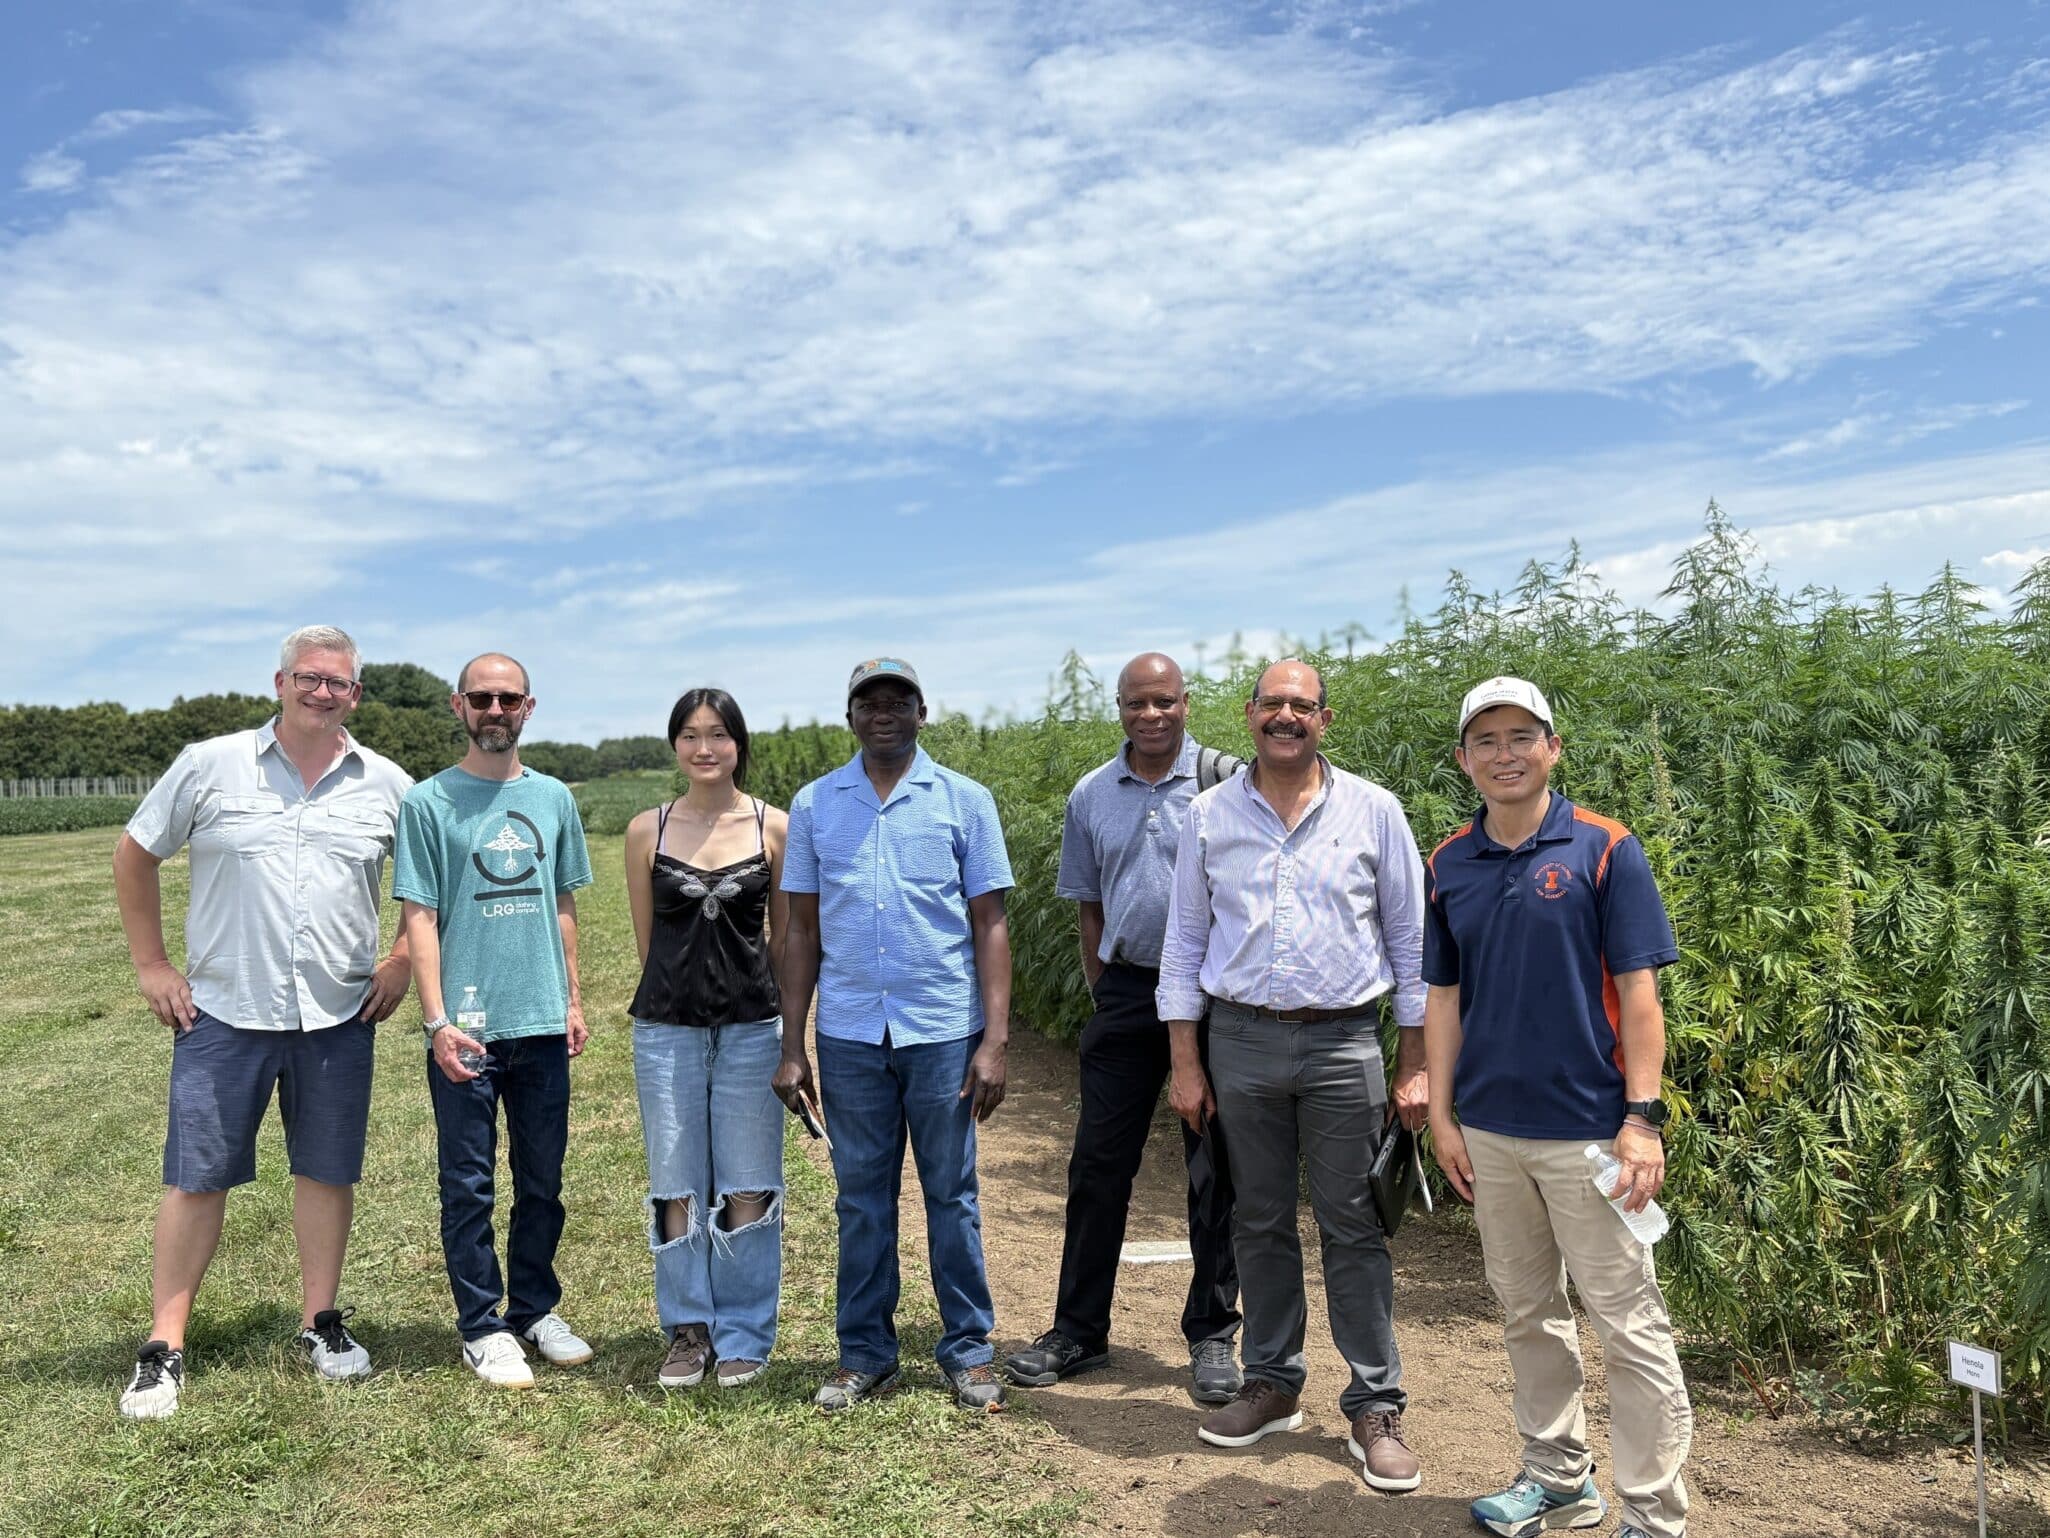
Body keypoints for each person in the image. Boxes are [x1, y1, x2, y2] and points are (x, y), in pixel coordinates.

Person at [111, 625, 413, 1420]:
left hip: (338, 1012)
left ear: (355, 693)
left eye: (338, 682)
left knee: (326, 1171)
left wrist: (403, 962)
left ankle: (321, 1323)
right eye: (308, 678)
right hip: (224, 1012)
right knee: (196, 1177)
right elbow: (135, 853)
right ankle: (165, 1346)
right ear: (278, 681)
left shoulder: (387, 784)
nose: (323, 692)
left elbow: (426, 890)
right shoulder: (210, 765)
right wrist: (152, 965)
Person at [1423, 677, 1692, 1538]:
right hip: (1493, 1133)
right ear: (1465, 760)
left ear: (1552, 747)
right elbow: (1443, 998)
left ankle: (1652, 1515)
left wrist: (1642, 1119)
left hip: (1592, 1136)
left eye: (1520, 736)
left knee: (1628, 1325)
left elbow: (1638, 993)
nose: (1504, 754)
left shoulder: (1605, 849)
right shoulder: (1448, 862)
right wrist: (1441, 1115)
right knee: (1527, 1311)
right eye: (1485, 741)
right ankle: (1558, 1480)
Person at [1159, 658, 1430, 1493]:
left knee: (1354, 1223)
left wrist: (1415, 1066)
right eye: (1272, 703)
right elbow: (1184, 944)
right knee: (1260, 1219)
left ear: (1325, 718)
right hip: (1239, 1040)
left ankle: (1375, 1404)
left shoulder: (1374, 811)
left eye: (1301, 705)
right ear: (1248, 716)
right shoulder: (1208, 815)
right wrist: (1186, 1062)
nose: (1285, 716)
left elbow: (1413, 946)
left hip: (1344, 1041)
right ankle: (1272, 1383)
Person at [774, 658, 1015, 1413]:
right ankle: (866, 1354)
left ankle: (969, 1352)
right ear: (850, 717)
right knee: (862, 1200)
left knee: (952, 1194)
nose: (883, 713)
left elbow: (990, 925)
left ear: (921, 712)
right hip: (849, 1032)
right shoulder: (817, 804)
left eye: (898, 701)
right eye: (868, 703)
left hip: (943, 1029)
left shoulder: (964, 802)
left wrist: (996, 1040)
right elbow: (802, 930)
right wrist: (792, 1044)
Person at [1004, 652, 1243, 1404]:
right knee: (1097, 1166)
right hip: (1128, 995)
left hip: (1215, 998)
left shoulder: (1225, 783)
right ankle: (1079, 1330)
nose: (1151, 716)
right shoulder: (1090, 795)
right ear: (1119, 707)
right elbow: (1088, 905)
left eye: (1164, 702)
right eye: (1137, 703)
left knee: (1216, 1170)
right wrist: (1106, 989)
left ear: (1185, 702)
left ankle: (1212, 1334)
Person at [394, 652, 594, 1390]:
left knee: (542, 1180)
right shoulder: (427, 803)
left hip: (540, 1020)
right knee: (470, 1184)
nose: (495, 710)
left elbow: (563, 905)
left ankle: (534, 1309)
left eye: (508, 699)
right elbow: (419, 915)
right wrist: (436, 1021)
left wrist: (571, 1000)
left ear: (529, 708)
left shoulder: (554, 801)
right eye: (482, 698)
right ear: (458, 706)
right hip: (466, 1028)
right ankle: (483, 1324)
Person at [624, 688, 789, 1391]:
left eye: (718, 734)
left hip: (753, 1030)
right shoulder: (647, 830)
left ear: (738, 743)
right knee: (676, 1183)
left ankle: (746, 1331)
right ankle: (689, 1329)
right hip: (667, 1034)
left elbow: (786, 940)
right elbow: (647, 941)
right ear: (674, 746)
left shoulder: (774, 827)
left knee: (750, 1183)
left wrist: (791, 1037)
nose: (704, 748)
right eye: (689, 735)